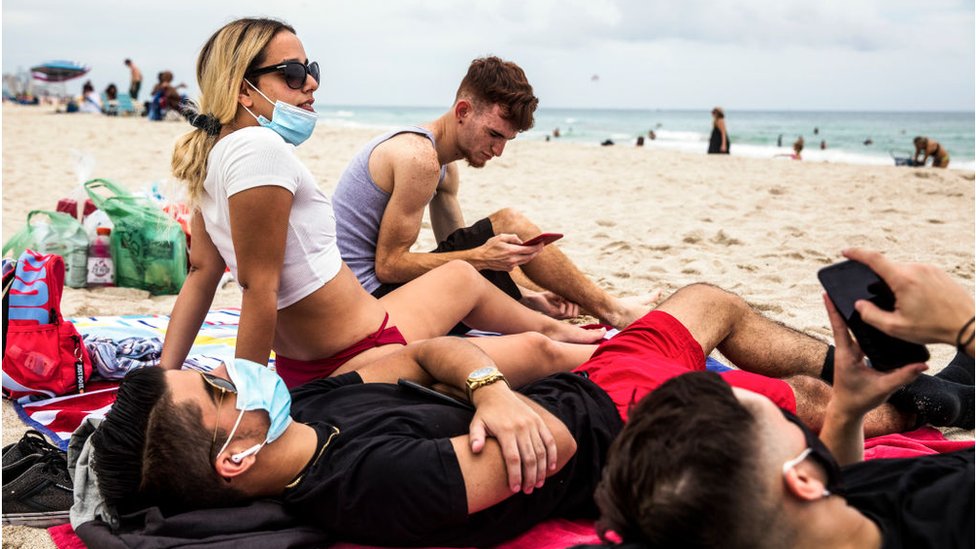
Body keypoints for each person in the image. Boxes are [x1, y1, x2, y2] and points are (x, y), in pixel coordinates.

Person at [92, 277, 947, 547]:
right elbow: (542, 449)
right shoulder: (375, 482)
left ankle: (906, 385)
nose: (233, 376)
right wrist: (500, 391)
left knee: (708, 302)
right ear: (234, 457)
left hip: (590, 391)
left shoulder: (310, 406)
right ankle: (914, 391)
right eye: (215, 393)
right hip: (631, 424)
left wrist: (487, 387)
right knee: (794, 401)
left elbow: (422, 354)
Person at [160, 18, 603, 390]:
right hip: (360, 352)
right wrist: (251, 402)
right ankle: (573, 335)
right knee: (540, 352)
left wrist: (163, 375)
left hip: (338, 341)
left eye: (310, 68)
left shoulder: (214, 153)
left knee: (462, 277)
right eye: (293, 73)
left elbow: (201, 273)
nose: (311, 82)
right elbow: (260, 288)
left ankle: (557, 323)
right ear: (243, 89)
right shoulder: (260, 148)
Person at [583, 248, 974, 549]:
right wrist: (963, 325)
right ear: (804, 478)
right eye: (779, 417)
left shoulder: (810, 528)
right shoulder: (952, 508)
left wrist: (846, 411)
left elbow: (842, 487)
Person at [331, 56, 657, 330]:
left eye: (507, 141)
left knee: (505, 252)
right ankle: (615, 311)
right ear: (463, 112)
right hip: (365, 309)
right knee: (508, 224)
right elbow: (389, 266)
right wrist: (482, 258)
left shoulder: (443, 165)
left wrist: (528, 296)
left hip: (376, 297)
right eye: (493, 134)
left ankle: (597, 303)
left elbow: (457, 244)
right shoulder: (419, 159)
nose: (499, 150)